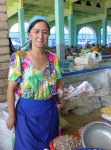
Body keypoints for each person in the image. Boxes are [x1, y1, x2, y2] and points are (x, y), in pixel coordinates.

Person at [6, 15, 67, 150]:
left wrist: (62, 97)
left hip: (50, 112)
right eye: (36, 31)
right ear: (29, 34)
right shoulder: (19, 58)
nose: (41, 36)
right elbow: (10, 89)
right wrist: (11, 115)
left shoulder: (52, 58)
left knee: (50, 145)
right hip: (26, 114)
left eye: (45, 32)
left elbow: (58, 84)